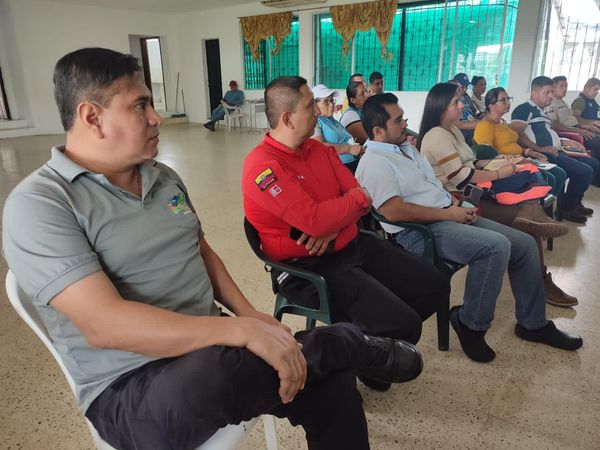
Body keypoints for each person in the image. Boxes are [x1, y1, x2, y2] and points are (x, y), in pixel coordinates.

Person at [2, 48, 424, 450]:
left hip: (210, 343)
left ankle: (330, 354)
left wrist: (250, 316)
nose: (157, 117)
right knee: (219, 374)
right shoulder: (41, 204)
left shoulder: (162, 177)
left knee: (327, 384)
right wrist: (238, 331)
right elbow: (105, 326)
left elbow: (202, 252)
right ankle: (349, 343)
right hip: (131, 385)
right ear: (92, 117)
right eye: (140, 106)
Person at [242, 76, 451, 391]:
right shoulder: (263, 166)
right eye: (310, 105)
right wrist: (339, 213)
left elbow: (362, 195)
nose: (318, 111)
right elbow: (317, 219)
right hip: (305, 268)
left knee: (434, 285)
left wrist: (335, 223)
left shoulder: (318, 150)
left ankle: (366, 348)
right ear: (287, 118)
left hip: (349, 243)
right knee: (403, 324)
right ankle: (361, 353)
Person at [355, 93, 583, 362]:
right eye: (398, 120)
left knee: (524, 242)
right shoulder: (375, 161)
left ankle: (533, 323)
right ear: (378, 131)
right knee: (495, 247)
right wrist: (448, 213)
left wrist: (457, 204)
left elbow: (431, 185)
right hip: (418, 233)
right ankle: (470, 324)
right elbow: (394, 211)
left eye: (403, 117)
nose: (405, 123)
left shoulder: (405, 149)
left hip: (446, 214)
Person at [417, 82, 568, 240]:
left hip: (474, 185)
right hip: (460, 196)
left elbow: (470, 162)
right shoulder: (437, 135)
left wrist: (499, 162)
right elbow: (460, 177)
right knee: (524, 189)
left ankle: (535, 216)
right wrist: (499, 173)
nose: (462, 106)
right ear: (441, 107)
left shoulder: (453, 130)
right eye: (456, 102)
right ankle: (535, 218)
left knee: (526, 176)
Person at [473, 87, 577, 307]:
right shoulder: (484, 126)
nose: (507, 103)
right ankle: (537, 216)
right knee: (541, 179)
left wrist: (529, 153)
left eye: (508, 99)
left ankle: (537, 213)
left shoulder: (502, 123)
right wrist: (516, 162)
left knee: (553, 175)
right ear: (490, 105)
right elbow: (486, 157)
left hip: (514, 164)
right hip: (499, 175)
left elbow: (514, 145)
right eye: (503, 100)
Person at [511, 76, 599, 223]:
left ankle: (575, 203)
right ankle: (567, 208)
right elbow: (517, 134)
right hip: (544, 154)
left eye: (551, 92)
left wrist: (565, 141)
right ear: (534, 93)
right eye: (547, 92)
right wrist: (539, 148)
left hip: (557, 150)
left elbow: (549, 133)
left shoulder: (542, 111)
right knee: (585, 171)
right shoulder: (524, 109)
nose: (550, 96)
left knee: (593, 163)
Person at [547, 76, 600, 185]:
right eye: (561, 86)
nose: (565, 89)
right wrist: (579, 131)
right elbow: (556, 125)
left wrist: (586, 126)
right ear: (553, 87)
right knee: (598, 143)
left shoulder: (563, 102)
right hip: (570, 134)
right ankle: (596, 180)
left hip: (577, 129)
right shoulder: (551, 103)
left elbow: (573, 119)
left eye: (566, 86)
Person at [311, 84, 363, 172]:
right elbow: (319, 147)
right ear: (314, 105)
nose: (331, 104)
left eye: (332, 100)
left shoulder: (334, 121)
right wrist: (349, 149)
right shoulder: (315, 122)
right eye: (326, 101)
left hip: (353, 161)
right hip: (338, 166)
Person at [451, 73, 479, 144]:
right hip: (463, 130)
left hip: (471, 126)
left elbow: (472, 115)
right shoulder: (450, 98)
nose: (465, 89)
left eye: (466, 86)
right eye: (462, 87)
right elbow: (458, 124)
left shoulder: (466, 97)